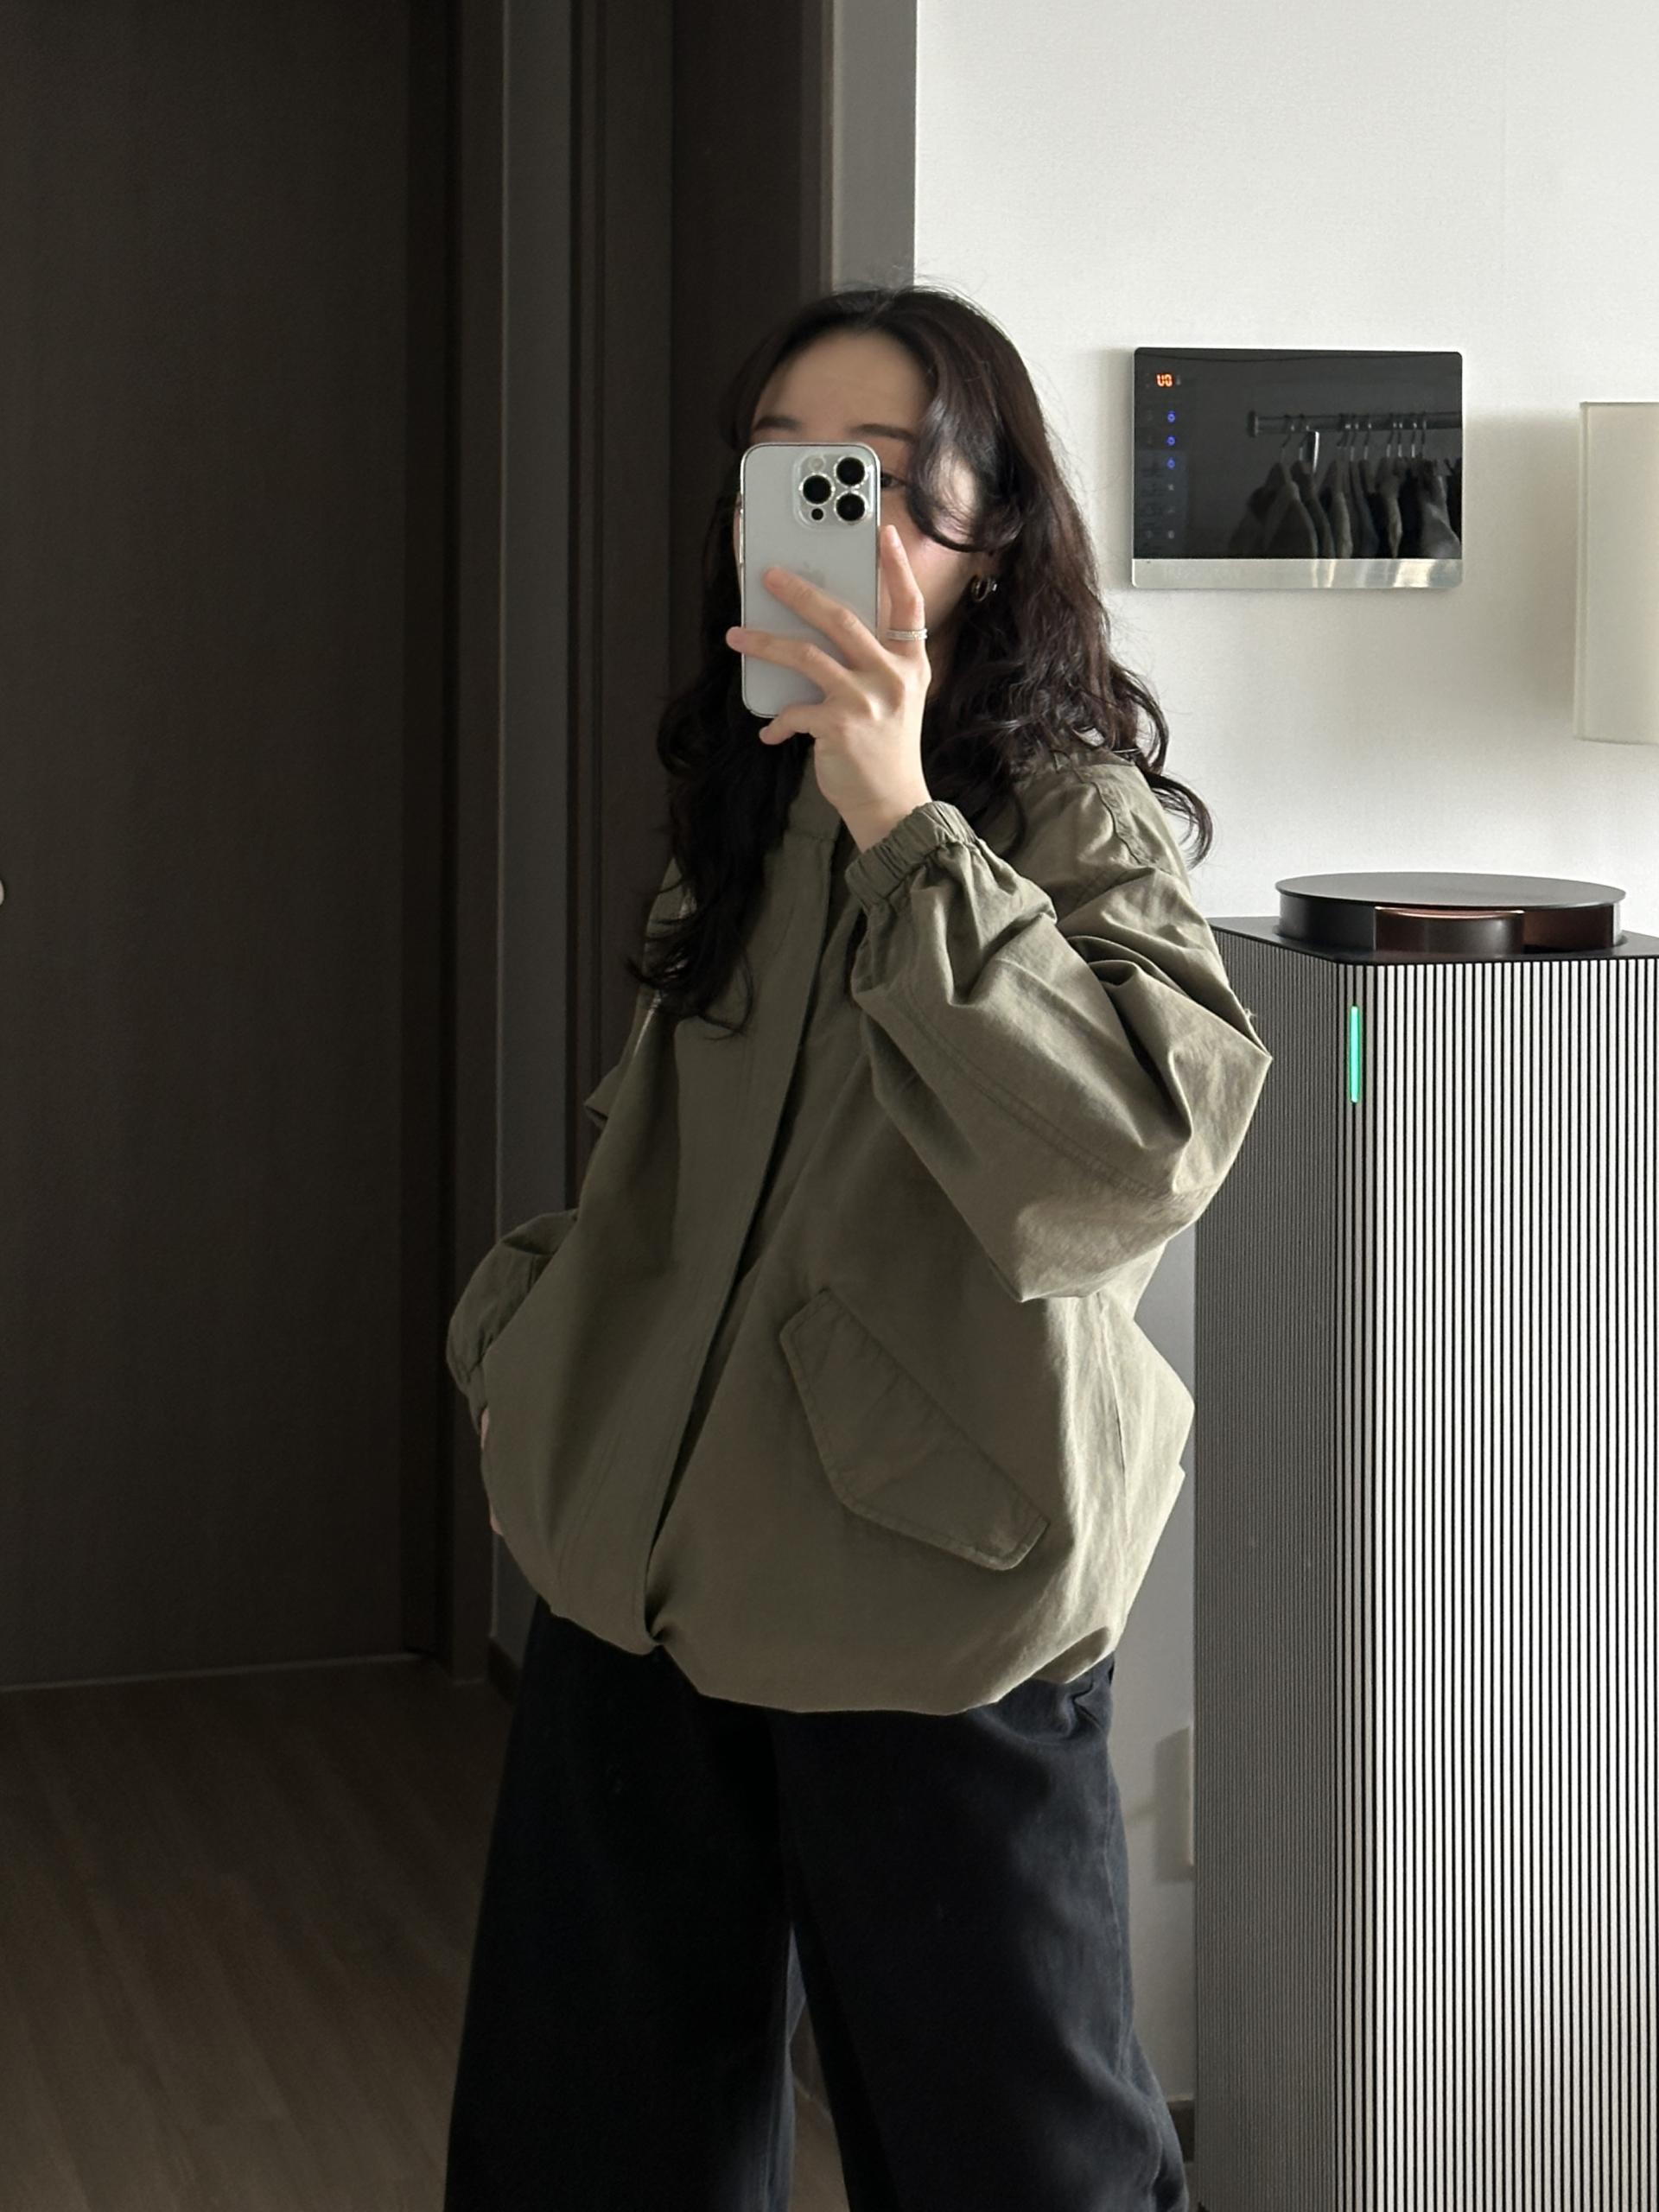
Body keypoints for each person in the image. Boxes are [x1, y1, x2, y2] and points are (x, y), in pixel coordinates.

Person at [442, 283, 1273, 2212]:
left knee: (1018, 2166)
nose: (835, 508)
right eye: (790, 468)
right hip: (641, 1576)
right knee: (583, 2154)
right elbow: (654, 1155)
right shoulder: (745, 810)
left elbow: (1129, 1162)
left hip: (932, 1594)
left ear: (994, 526)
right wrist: (531, 1355)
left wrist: (906, 821)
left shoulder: (1071, 815)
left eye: (887, 474)